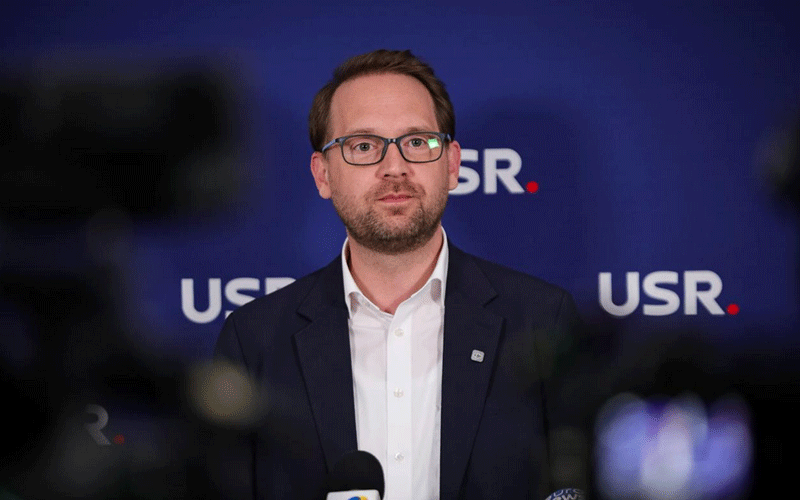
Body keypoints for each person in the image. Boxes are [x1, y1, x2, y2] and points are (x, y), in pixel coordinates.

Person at [213, 49, 585, 500]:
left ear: (451, 165)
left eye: (417, 141)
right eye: (364, 146)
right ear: (322, 174)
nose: (394, 167)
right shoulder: (254, 340)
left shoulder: (542, 319)